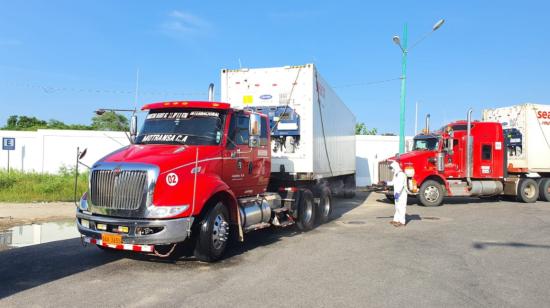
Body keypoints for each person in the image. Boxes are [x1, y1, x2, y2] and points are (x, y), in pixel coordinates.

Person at [388, 160, 407, 227]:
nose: (392, 170)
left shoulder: (401, 174)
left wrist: (398, 193)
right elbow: (393, 183)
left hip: (401, 194)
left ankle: (402, 222)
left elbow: (401, 185)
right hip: (397, 193)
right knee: (397, 207)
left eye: (392, 168)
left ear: (395, 167)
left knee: (401, 207)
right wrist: (386, 182)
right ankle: (396, 220)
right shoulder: (396, 174)